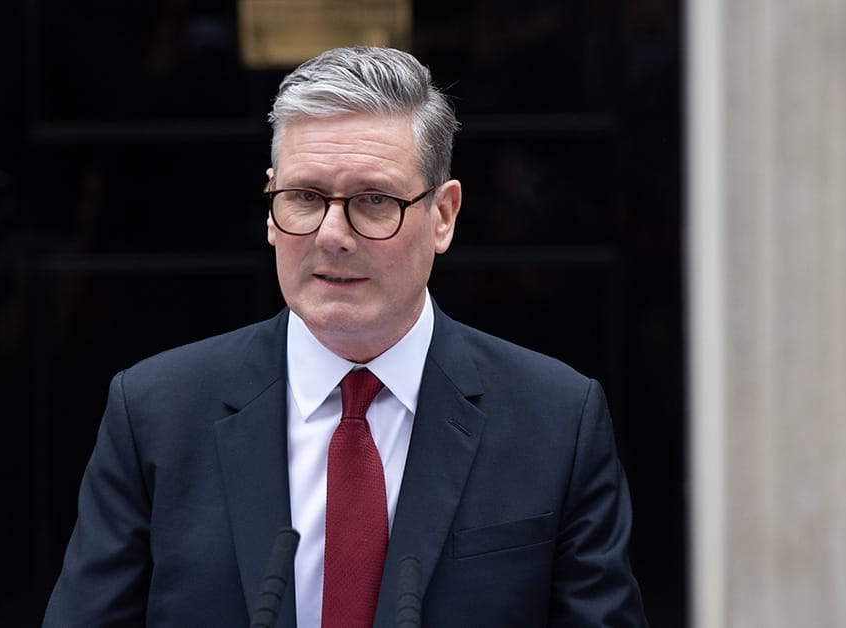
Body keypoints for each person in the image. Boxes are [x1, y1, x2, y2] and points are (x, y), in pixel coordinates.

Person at [44, 46, 647, 627]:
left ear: (443, 216)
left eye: (373, 200)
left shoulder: (556, 419)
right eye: (305, 197)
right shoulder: (154, 411)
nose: (333, 234)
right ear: (270, 205)